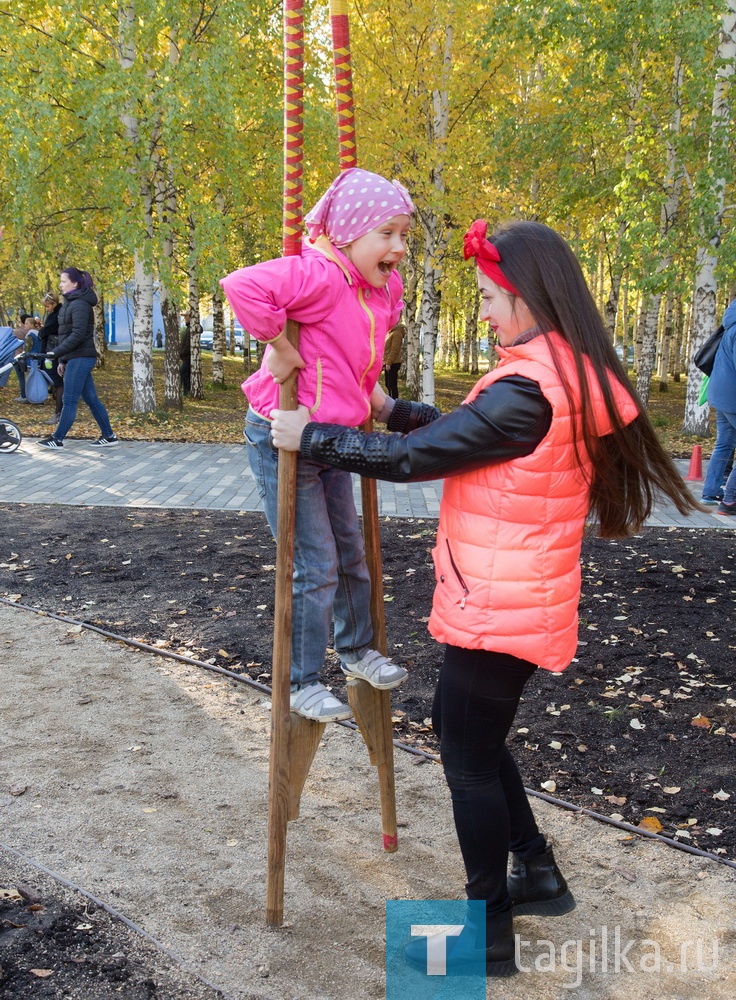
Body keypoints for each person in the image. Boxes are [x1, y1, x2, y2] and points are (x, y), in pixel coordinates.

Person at [270, 218, 701, 975]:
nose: (485, 312)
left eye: (491, 298)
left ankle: (487, 934)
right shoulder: (554, 371)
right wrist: (391, 407)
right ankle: (534, 870)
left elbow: (412, 462)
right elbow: (461, 436)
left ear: (532, 298)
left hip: (502, 604)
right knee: (470, 737)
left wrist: (315, 437)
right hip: (512, 590)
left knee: (466, 758)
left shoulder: (531, 389)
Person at [221, 166, 415, 723]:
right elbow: (242, 285)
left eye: (404, 235)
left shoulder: (382, 288)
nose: (399, 248)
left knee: (351, 548)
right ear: (350, 235)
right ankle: (303, 679)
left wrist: (372, 394)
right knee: (316, 560)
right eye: (388, 234)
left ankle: (356, 649)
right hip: (282, 434)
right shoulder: (318, 275)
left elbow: (356, 350)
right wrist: (279, 345)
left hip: (334, 438)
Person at [37, 267, 119, 449]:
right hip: (75, 357)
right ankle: (109, 435)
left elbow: (78, 335)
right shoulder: (70, 303)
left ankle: (57, 439)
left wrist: (57, 352)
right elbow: (66, 334)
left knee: (70, 399)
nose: (60, 284)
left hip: (82, 357)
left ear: (74, 283)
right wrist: (63, 359)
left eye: (63, 281)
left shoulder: (80, 304)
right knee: (91, 399)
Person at [701, 292, 736, 513]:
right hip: (732, 397)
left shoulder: (730, 325)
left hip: (720, 394)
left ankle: (710, 492)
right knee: (724, 443)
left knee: (724, 443)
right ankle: (730, 500)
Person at [38, 292, 64, 424]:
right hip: (53, 351)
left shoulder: (57, 315)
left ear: (53, 303)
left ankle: (59, 413)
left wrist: (42, 331)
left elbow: (47, 331)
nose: (47, 309)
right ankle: (59, 412)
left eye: (48, 306)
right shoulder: (56, 314)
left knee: (58, 382)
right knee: (57, 381)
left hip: (53, 352)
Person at [382, 322, 405, 399]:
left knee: (392, 385)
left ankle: (394, 403)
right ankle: (391, 401)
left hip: (393, 363)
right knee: (388, 384)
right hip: (388, 362)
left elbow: (395, 350)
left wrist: (388, 362)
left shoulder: (397, 333)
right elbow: (386, 349)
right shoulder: (390, 333)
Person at [179, 314, 191, 395]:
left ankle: (186, 392)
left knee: (183, 373)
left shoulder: (190, 329)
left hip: (187, 357)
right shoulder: (188, 329)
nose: (185, 318)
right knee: (184, 374)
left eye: (186, 317)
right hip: (185, 357)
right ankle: (186, 391)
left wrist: (181, 353)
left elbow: (188, 346)